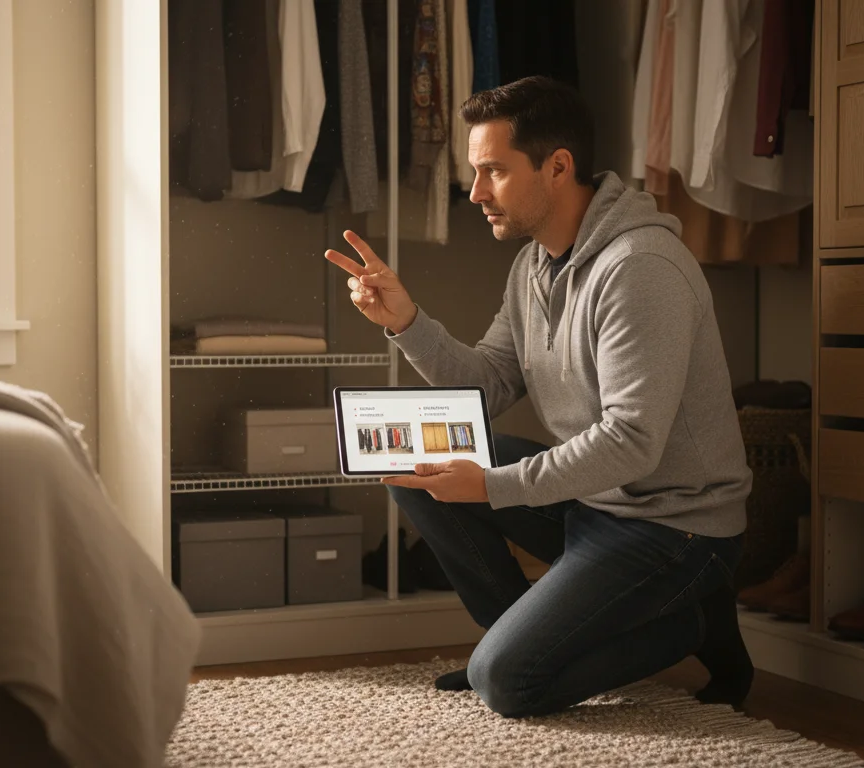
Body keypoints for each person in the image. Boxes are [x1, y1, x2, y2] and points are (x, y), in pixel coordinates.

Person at [324, 76, 755, 718]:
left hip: (675, 527)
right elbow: (489, 385)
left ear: (558, 167)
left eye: (493, 171)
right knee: (414, 468)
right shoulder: (534, 265)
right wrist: (405, 321)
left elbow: (633, 442)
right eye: (475, 173)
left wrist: (493, 485)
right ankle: (516, 640)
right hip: (597, 504)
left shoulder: (640, 268)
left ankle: (689, 624)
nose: (475, 193)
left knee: (508, 684)